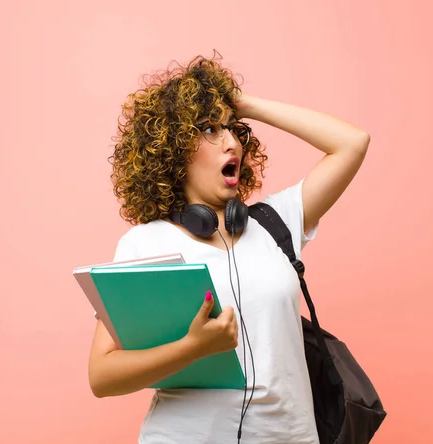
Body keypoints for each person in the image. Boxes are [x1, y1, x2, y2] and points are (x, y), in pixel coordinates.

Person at [88, 54, 370, 444]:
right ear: (173, 150)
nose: (232, 142)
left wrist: (243, 104)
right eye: (209, 129)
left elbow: (352, 143)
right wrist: (192, 348)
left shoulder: (277, 222)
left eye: (234, 129)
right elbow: (103, 377)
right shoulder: (145, 244)